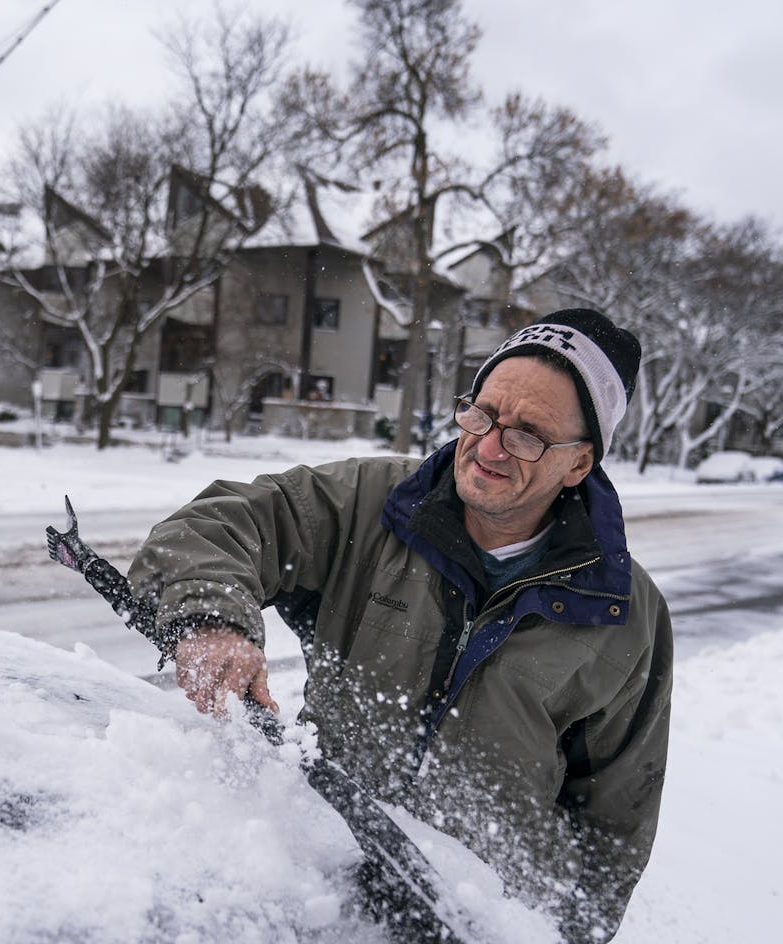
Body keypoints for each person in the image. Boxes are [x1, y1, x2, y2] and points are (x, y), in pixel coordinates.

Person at [127, 308, 672, 942]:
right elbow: (217, 527)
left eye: (526, 434)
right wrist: (213, 619)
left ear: (579, 464)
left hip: (473, 920)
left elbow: (615, 827)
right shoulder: (377, 504)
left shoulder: (624, 613)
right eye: (483, 413)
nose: (488, 446)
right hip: (324, 888)